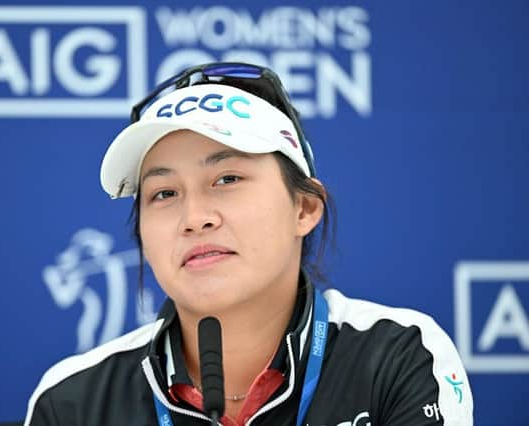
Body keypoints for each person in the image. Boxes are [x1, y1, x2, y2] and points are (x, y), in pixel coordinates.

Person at [24, 63, 473, 425]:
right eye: (164, 193)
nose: (195, 218)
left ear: (304, 209)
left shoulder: (398, 354)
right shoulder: (71, 399)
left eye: (228, 178)